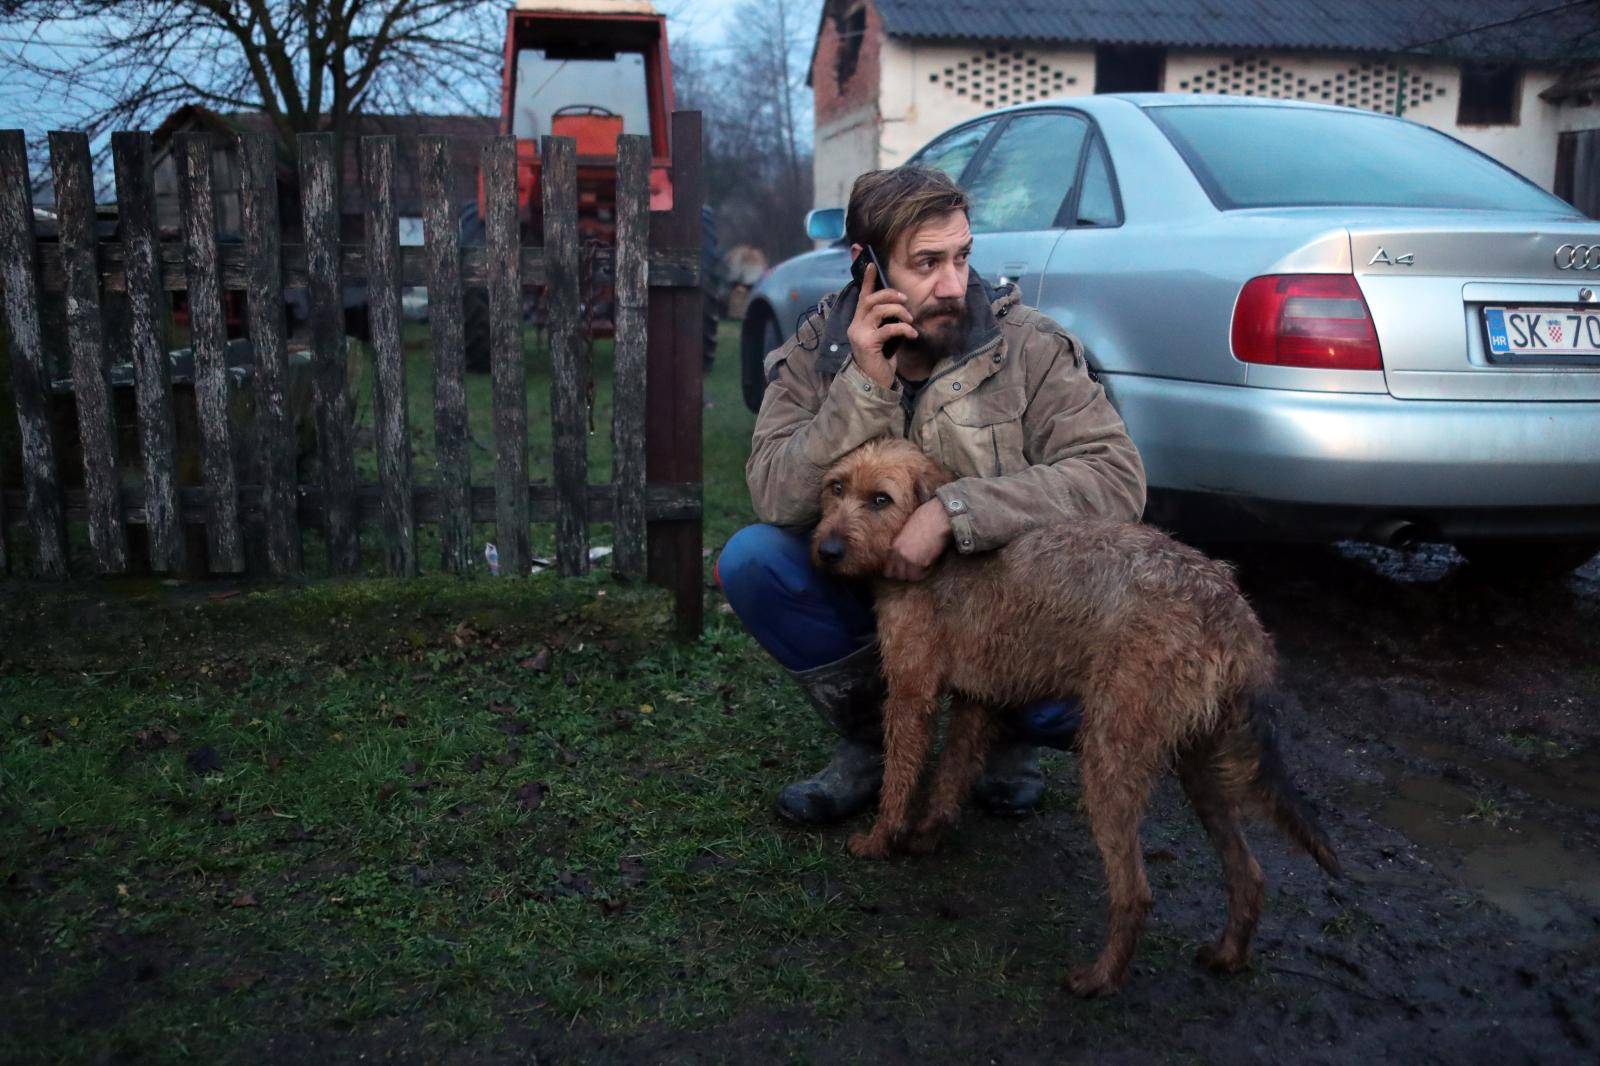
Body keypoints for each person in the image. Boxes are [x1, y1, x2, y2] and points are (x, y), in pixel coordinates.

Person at [717, 165, 1146, 825]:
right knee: (753, 560)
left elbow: (1116, 477)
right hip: (870, 594)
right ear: (869, 267)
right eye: (926, 264)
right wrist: (860, 384)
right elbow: (774, 494)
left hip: (1005, 603)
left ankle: (1006, 736)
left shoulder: (1026, 345)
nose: (954, 285)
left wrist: (954, 512)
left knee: (1114, 641)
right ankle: (871, 744)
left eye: (962, 257)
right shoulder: (817, 350)